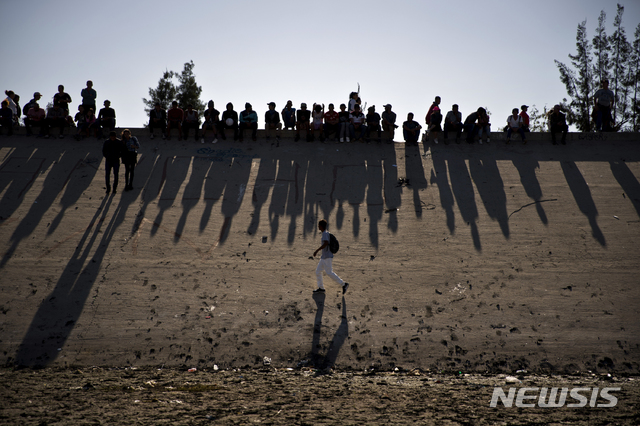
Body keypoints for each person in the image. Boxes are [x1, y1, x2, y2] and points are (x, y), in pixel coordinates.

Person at [313, 219, 349, 294]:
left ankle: (344, 284)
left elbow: (326, 243)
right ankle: (321, 288)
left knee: (329, 272)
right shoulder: (325, 233)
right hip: (324, 257)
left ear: (321, 226)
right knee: (318, 271)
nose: (318, 226)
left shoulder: (325, 234)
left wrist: (317, 250)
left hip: (327, 257)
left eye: (318, 225)